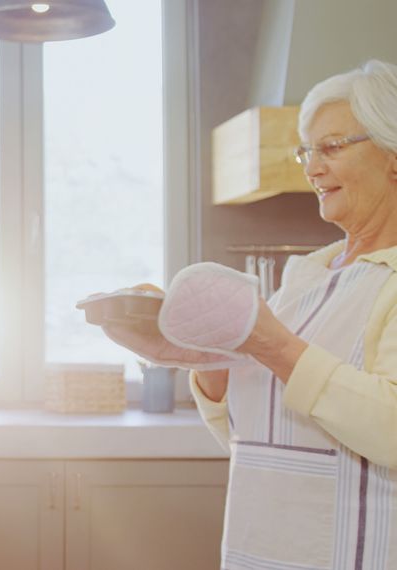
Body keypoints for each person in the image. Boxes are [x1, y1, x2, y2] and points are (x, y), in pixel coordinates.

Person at [100, 60, 397, 569]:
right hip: (258, 550)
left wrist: (268, 343)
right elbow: (255, 440)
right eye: (309, 150)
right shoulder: (305, 277)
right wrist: (201, 357)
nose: (312, 167)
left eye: (331, 147)